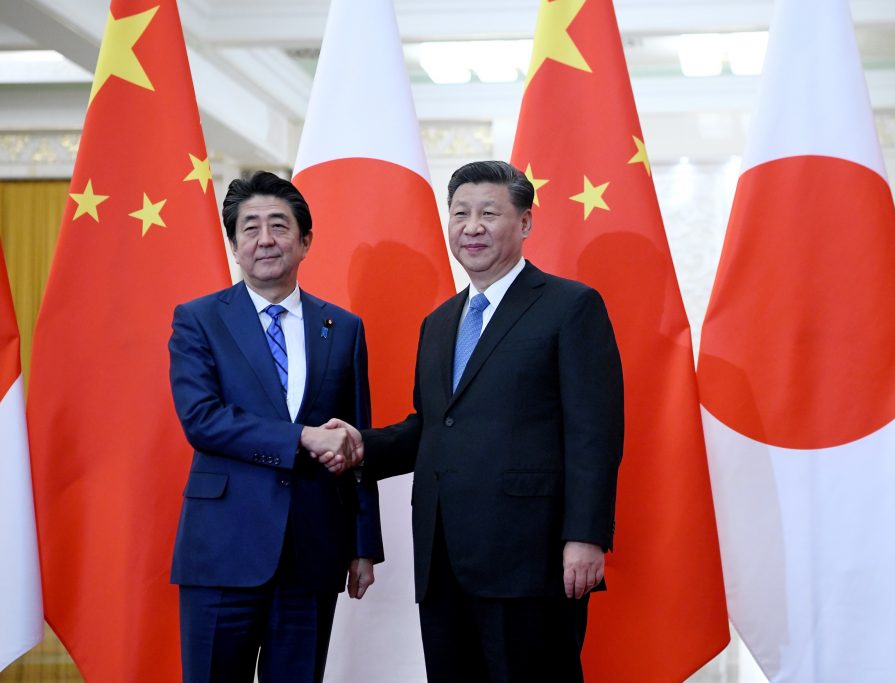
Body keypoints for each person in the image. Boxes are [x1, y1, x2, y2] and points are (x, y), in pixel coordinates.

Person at [335, 160, 624, 682]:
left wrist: (585, 535)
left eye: (489, 213)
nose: (472, 227)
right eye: (460, 213)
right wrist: (361, 447)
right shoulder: (440, 322)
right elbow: (433, 426)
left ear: (526, 223)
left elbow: (594, 433)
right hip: (443, 557)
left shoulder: (570, 306)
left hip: (529, 559)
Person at [167, 171, 383, 683]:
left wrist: (363, 542)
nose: (265, 239)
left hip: (313, 551)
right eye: (250, 228)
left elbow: (357, 439)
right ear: (235, 245)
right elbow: (203, 420)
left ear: (305, 241)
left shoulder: (343, 328)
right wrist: (302, 437)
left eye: (279, 226)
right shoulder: (198, 320)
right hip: (223, 550)